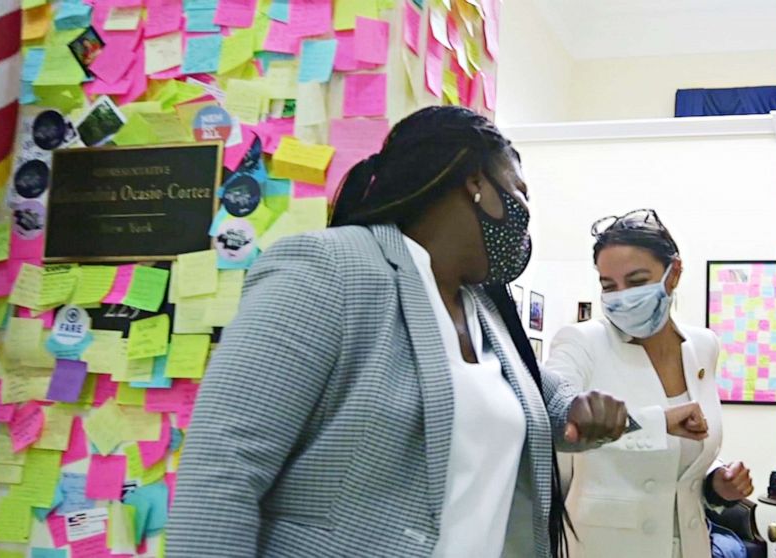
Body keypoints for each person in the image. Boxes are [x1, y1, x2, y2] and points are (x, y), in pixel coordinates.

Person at [167, 106, 632, 558]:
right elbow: (222, 469)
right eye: (519, 191)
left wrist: (583, 408)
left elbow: (546, 399)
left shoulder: (481, 309)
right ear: (476, 182)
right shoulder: (330, 269)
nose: (525, 214)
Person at [544, 209, 754, 558]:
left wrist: (716, 484)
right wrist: (660, 420)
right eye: (609, 286)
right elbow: (555, 417)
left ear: (674, 273)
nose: (621, 296)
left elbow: (681, 462)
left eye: (637, 281)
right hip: (604, 548)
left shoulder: (702, 347)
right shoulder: (581, 342)